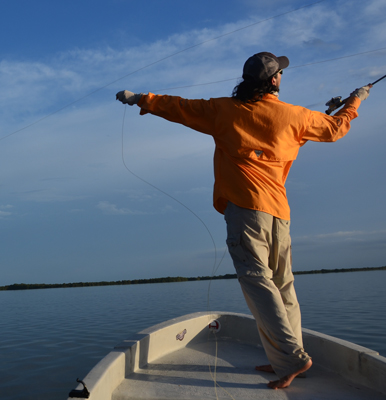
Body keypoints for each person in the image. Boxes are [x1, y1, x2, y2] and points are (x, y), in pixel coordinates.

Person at [115, 52, 371, 390]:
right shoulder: (296, 116)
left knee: (258, 283)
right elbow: (336, 127)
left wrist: (139, 99)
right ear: (275, 80)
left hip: (247, 211)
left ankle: (293, 357)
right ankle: (288, 359)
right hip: (280, 213)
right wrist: (356, 99)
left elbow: (178, 106)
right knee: (282, 287)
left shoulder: (224, 111)